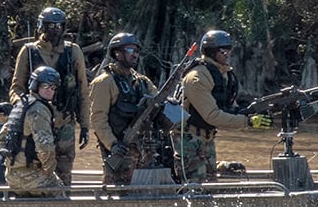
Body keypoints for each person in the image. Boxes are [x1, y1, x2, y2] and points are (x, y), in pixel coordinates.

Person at [9, 6, 90, 189]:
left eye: (59, 25)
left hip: (65, 122)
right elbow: (16, 89)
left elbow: (83, 91)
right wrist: (24, 109)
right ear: (41, 27)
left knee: (64, 171)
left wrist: (85, 125)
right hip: (36, 123)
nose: (55, 29)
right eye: (50, 25)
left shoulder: (73, 51)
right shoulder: (28, 52)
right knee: (34, 168)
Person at [177, 28, 270, 182]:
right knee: (194, 189)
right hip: (189, 139)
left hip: (208, 138)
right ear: (211, 51)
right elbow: (212, 115)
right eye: (223, 51)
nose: (228, 54)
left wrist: (252, 113)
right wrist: (248, 122)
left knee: (211, 185)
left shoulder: (223, 74)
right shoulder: (197, 78)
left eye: (229, 50)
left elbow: (228, 108)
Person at [88, 31, 162, 186]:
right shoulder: (104, 82)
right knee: (116, 192)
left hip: (143, 151)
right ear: (117, 53)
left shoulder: (142, 82)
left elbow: (159, 99)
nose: (134, 55)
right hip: (120, 149)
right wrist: (113, 145)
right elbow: (98, 119)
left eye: (136, 51)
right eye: (129, 50)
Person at [0, 65, 66, 197]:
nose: (50, 91)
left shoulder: (20, 104)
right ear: (36, 85)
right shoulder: (39, 109)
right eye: (46, 86)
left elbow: (1, 138)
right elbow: (45, 147)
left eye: (53, 88)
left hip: (12, 175)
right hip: (32, 175)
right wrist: (48, 171)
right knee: (60, 195)